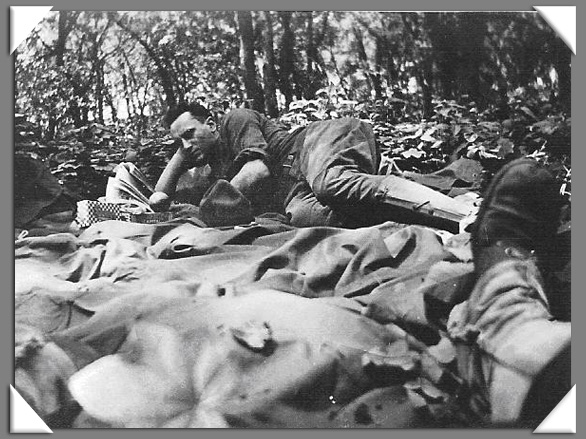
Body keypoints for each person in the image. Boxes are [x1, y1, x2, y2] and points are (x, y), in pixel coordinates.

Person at [148, 103, 475, 231]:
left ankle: (466, 218)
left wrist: (211, 207)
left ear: (211, 123)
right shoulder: (213, 171)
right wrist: (180, 153)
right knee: (313, 222)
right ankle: (437, 217)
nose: (188, 145)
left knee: (332, 183)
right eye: (180, 141)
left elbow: (258, 170)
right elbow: (158, 201)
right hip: (295, 187)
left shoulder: (235, 120)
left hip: (313, 145)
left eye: (191, 134)